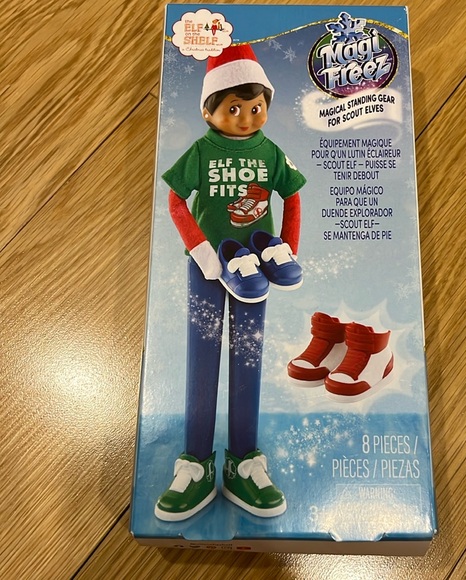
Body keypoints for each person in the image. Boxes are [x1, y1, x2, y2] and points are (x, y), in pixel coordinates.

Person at [154, 44, 306, 521]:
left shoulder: (270, 151)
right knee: (202, 358)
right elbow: (176, 201)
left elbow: (292, 196)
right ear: (208, 110)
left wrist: (286, 247)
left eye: (255, 107)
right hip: (207, 268)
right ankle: (196, 463)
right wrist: (201, 248)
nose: (246, 118)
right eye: (234, 108)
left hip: (255, 268)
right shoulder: (202, 151)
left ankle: (244, 461)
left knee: (247, 359)